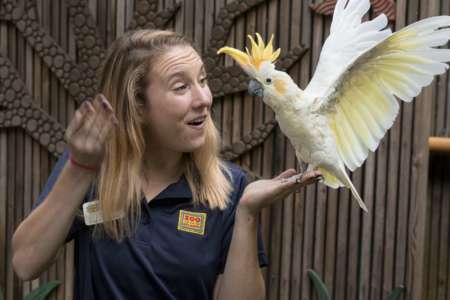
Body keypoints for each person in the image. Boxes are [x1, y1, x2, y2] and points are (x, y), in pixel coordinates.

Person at [11, 29, 321, 299]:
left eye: (202, 80)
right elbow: (26, 263)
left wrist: (247, 215)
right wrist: (80, 168)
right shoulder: (91, 165)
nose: (203, 99)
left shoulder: (231, 186)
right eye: (181, 87)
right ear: (138, 106)